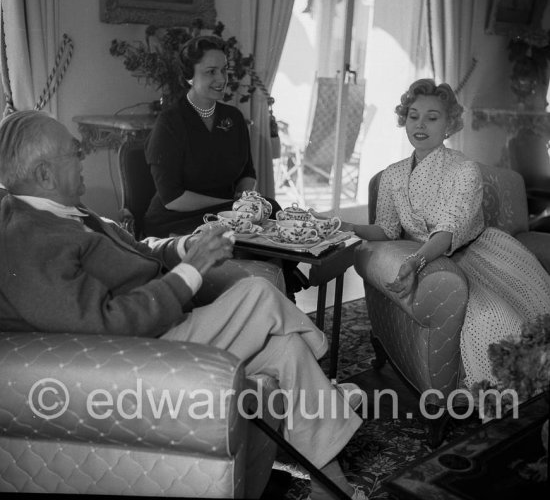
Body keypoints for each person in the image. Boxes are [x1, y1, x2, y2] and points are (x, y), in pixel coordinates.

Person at [0, 110, 365, 500]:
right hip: (139, 353)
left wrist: (185, 246)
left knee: (288, 349)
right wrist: (191, 272)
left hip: (165, 327)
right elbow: (102, 326)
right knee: (256, 293)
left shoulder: (66, 214)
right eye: (73, 151)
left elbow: (141, 251)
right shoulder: (27, 238)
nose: (82, 155)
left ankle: (329, 484)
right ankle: (327, 388)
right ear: (43, 174)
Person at [342, 79, 550, 388]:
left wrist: (415, 261)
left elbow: (448, 232)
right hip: (432, 259)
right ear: (404, 120)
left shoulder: (464, 170)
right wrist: (348, 227)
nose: (420, 124)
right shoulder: (392, 174)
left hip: (475, 252)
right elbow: (385, 228)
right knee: (485, 318)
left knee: (495, 315)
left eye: (432, 117)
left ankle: (514, 384)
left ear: (449, 124)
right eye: (413, 116)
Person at [144, 34, 309, 296]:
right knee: (238, 239)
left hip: (226, 212)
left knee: (273, 211)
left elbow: (247, 173)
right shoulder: (170, 123)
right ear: (190, 76)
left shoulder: (232, 118)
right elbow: (172, 198)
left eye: (224, 70)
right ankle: (276, 288)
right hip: (177, 220)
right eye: (211, 72)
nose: (221, 79)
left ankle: (279, 284)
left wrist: (245, 203)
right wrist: (230, 204)